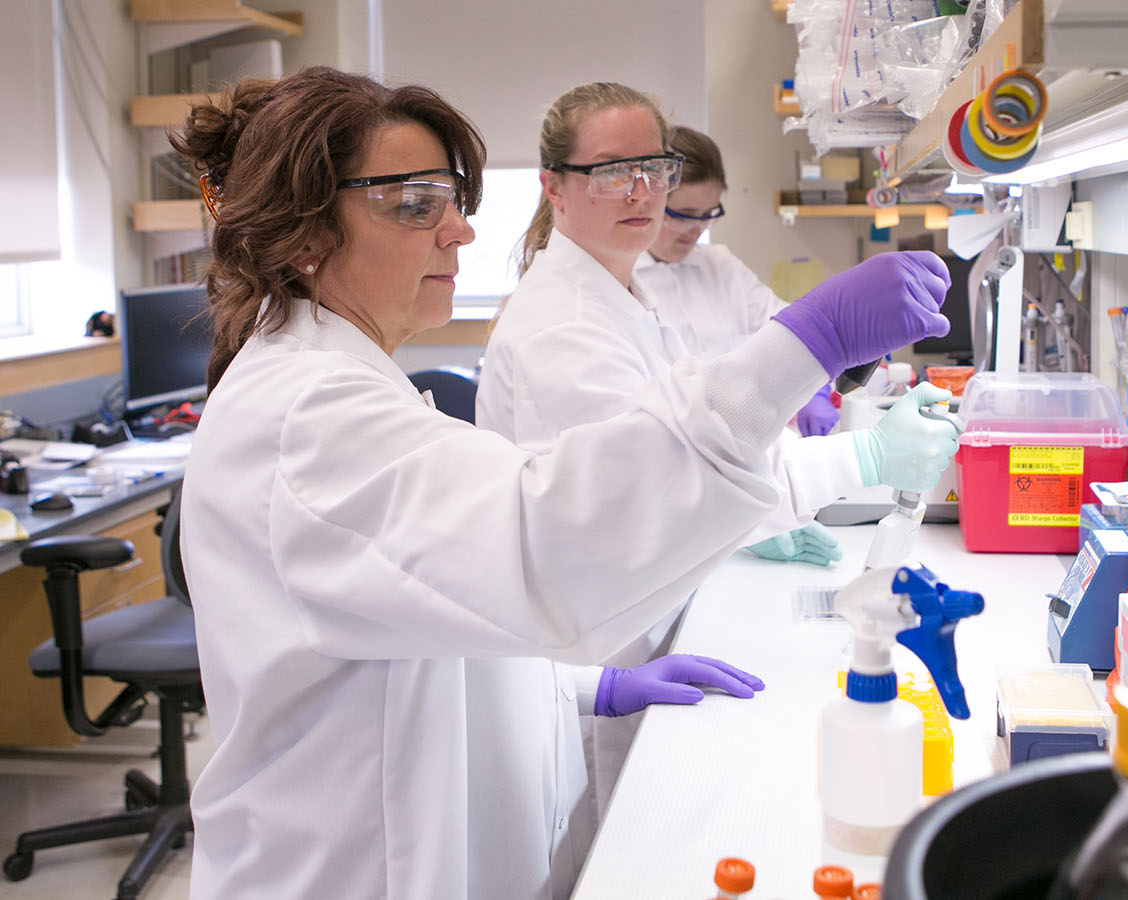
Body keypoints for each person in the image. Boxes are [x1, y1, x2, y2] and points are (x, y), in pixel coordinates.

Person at [169, 67, 952, 900]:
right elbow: (554, 542)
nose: (459, 234)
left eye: (455, 200)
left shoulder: (342, 381)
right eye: (413, 204)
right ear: (302, 236)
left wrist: (590, 689)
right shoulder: (309, 417)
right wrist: (811, 340)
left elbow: (438, 607)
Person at [476, 81, 961, 831]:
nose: (642, 190)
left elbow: (695, 457)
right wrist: (858, 453)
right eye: (611, 170)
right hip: (601, 657)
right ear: (553, 187)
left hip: (646, 621)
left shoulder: (628, 293)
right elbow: (657, 495)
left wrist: (842, 455)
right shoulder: (561, 328)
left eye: (656, 167)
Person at [633, 125, 837, 437]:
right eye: (683, 215)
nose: (696, 229)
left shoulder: (720, 265)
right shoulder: (625, 283)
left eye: (708, 213)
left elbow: (790, 327)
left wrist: (816, 389)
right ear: (652, 202)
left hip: (755, 452)